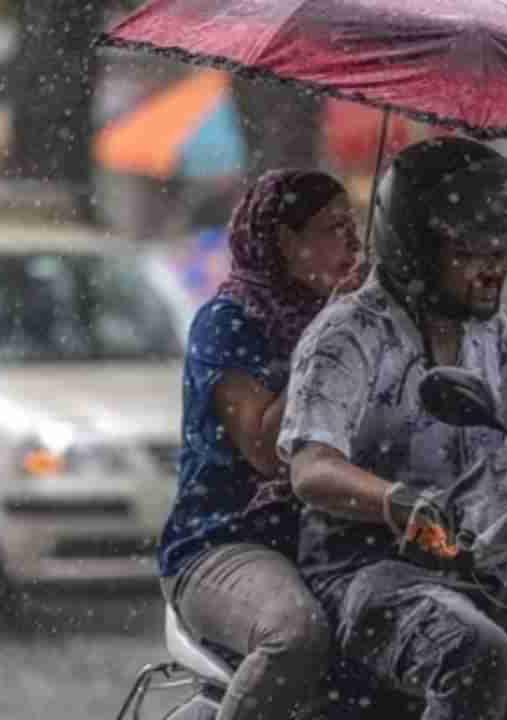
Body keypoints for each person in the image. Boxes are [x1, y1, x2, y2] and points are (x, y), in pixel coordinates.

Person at [279, 137, 507, 720]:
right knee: (475, 655)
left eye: (504, 248)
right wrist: (397, 500)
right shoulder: (349, 334)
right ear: (417, 250)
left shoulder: (489, 327)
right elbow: (311, 467)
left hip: (476, 562)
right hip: (364, 572)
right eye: (474, 250)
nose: (496, 266)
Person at [158, 169, 363, 720]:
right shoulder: (227, 324)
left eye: (354, 226)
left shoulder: (362, 324)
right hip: (228, 541)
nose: (353, 243)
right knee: (295, 634)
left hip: (335, 538)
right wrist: (328, 332)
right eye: (332, 229)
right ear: (284, 244)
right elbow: (266, 447)